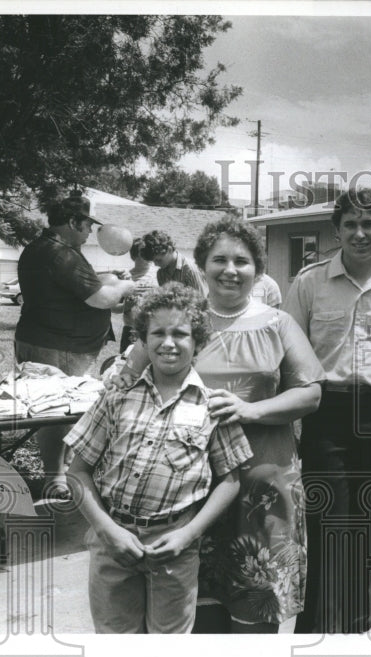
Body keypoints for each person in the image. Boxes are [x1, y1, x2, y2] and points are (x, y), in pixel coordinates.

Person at [116, 217, 325, 634]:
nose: (231, 270)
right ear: (202, 265)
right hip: (189, 491)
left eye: (242, 261)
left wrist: (253, 411)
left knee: (255, 611)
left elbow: (312, 392)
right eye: (220, 260)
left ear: (257, 270)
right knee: (197, 612)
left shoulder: (277, 322)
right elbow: (125, 384)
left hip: (263, 484)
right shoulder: (177, 321)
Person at [65, 284, 253, 633]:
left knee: (169, 646)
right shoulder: (118, 397)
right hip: (113, 544)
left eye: (180, 333)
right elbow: (77, 473)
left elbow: (231, 480)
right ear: (142, 339)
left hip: (175, 547)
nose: (169, 343)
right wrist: (107, 531)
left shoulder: (212, 405)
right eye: (158, 333)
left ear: (198, 341)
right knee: (116, 642)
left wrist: (189, 534)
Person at [283, 186, 371, 634]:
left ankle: (357, 627)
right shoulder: (309, 283)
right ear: (337, 231)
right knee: (327, 523)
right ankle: (318, 629)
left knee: (367, 524)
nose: (360, 233)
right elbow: (287, 358)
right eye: (350, 224)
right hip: (324, 411)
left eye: (369, 224)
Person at [14, 192, 136, 498]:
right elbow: (102, 298)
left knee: (59, 413)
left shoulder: (43, 248)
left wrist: (108, 277)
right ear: (72, 222)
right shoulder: (61, 253)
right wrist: (126, 285)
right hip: (58, 346)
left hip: (46, 340)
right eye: (86, 226)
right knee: (56, 415)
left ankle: (62, 474)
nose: (89, 233)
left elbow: (80, 283)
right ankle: (56, 480)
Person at [114, 237, 159, 352]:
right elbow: (113, 308)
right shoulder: (125, 276)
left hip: (154, 330)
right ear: (134, 255)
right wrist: (126, 306)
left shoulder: (159, 275)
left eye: (149, 251)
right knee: (126, 365)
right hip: (131, 331)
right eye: (142, 251)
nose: (147, 255)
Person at [142, 229, 208, 296]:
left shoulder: (190, 270)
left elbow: (203, 302)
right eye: (153, 261)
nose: (156, 264)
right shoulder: (161, 274)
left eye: (159, 260)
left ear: (170, 250)